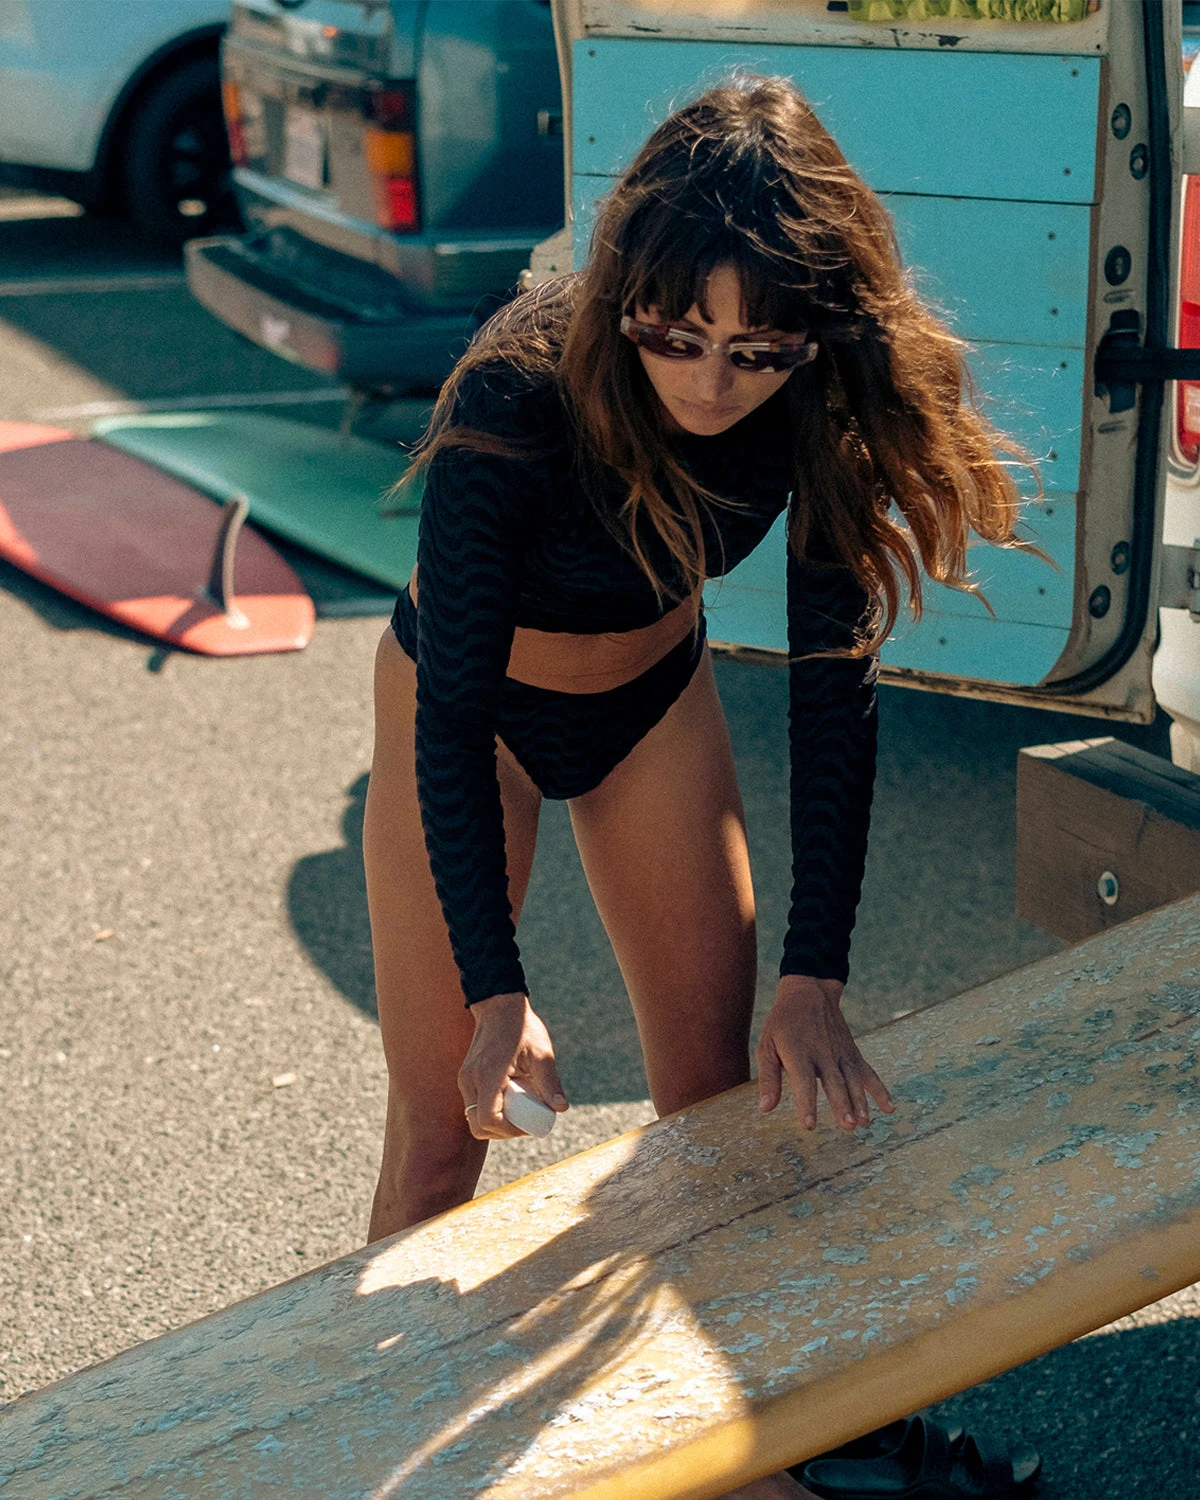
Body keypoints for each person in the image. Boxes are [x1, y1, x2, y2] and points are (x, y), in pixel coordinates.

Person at [363, 73, 1039, 1500]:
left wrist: (817, 975)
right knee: (442, 1134)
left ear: (815, 329)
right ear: (627, 295)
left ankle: (752, 1450)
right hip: (470, 716)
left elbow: (833, 684)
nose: (712, 384)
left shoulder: (822, 396)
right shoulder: (516, 391)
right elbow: (454, 714)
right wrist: (497, 988)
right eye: (675, 336)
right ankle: (384, 1458)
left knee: (715, 1112)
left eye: (755, 350)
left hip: (652, 704)